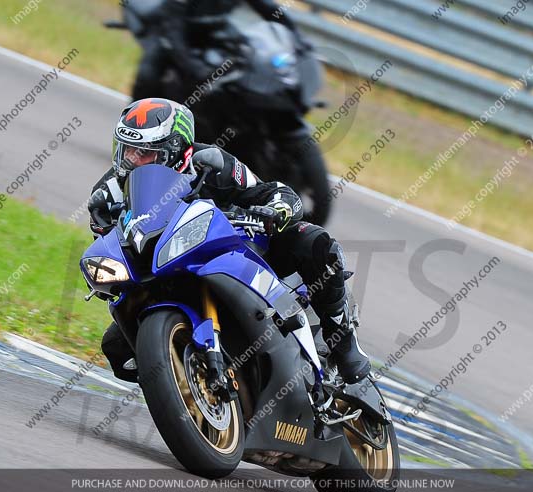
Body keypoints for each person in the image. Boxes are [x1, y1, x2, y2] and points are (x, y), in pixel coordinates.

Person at [88, 98, 370, 384]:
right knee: (117, 351)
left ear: (173, 150)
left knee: (315, 242)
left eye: (143, 153)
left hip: (233, 249)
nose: (132, 160)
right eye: (127, 150)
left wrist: (274, 211)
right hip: (160, 273)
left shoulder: (211, 162)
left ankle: (342, 340)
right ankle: (193, 387)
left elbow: (270, 192)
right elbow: (110, 247)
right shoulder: (106, 194)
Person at [131, 0, 309, 100]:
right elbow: (173, 30)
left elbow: (269, 9)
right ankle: (138, 129)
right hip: (173, 31)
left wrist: (297, 37)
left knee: (251, 55)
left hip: (214, 30)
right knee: (149, 74)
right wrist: (193, 67)